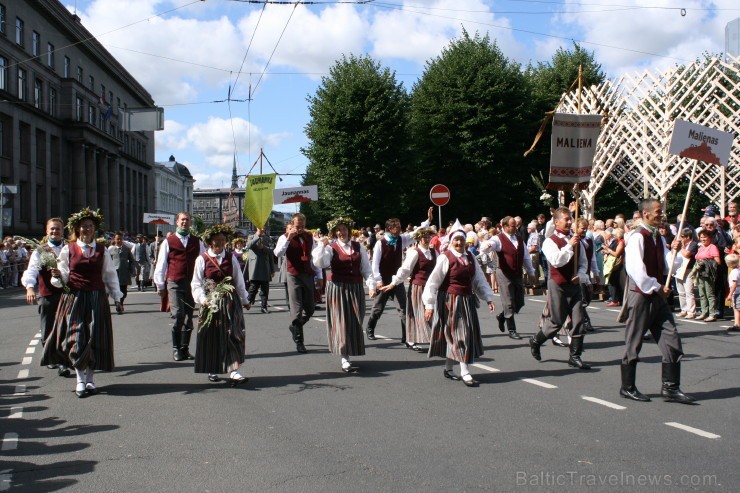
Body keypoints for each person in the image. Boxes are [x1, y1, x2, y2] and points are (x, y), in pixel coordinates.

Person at [41, 208, 123, 398]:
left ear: (95, 229)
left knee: (95, 337)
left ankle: (90, 379)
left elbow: (110, 275)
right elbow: (62, 275)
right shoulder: (68, 249)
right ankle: (80, 379)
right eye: (84, 226)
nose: (87, 229)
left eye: (90, 226)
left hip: (96, 297)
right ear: (77, 229)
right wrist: (58, 276)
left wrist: (117, 298)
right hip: (74, 297)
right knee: (76, 338)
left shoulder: (102, 250)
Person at [619, 198, 694, 403]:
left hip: (658, 297)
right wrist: (656, 286)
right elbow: (635, 269)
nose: (661, 214)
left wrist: (676, 251)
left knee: (672, 339)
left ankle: (670, 387)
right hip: (643, 295)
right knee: (634, 342)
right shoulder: (637, 237)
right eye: (658, 211)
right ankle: (627, 387)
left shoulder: (659, 238)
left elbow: (670, 264)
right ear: (646, 214)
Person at [423, 221, 496, 387]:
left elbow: (478, 279)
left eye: (461, 240)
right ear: (451, 241)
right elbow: (433, 282)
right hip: (450, 301)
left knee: (458, 335)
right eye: (455, 240)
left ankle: (449, 368)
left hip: (466, 300)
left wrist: (488, 297)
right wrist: (429, 305)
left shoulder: (470, 257)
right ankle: (465, 371)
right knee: (461, 334)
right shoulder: (445, 257)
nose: (458, 243)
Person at [529, 207, 591, 370]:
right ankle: (536, 340)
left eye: (571, 219)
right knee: (556, 322)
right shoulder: (550, 241)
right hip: (558, 284)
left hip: (574, 285)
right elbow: (557, 261)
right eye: (567, 219)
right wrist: (569, 246)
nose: (570, 222)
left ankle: (575, 356)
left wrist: (581, 275)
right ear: (557, 222)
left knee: (578, 321)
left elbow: (584, 262)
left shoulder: (576, 240)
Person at [312, 217, 376, 372]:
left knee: (356, 320)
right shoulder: (330, 247)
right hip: (337, 288)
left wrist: (371, 285)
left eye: (344, 229)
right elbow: (321, 263)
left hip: (355, 287)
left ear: (349, 230)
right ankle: (344, 358)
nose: (341, 232)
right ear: (334, 232)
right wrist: (321, 244)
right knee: (342, 322)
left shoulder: (358, 246)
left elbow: (366, 268)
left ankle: (350, 351)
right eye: (338, 230)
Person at [191, 224, 251, 386]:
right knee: (212, 335)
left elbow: (238, 281)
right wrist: (203, 299)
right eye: (216, 241)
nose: (219, 243)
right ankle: (213, 367)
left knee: (234, 333)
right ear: (210, 242)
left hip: (230, 301)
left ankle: (234, 370)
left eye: (222, 240)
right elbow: (196, 283)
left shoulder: (230, 258)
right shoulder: (202, 259)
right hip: (211, 302)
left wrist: (245, 300)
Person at [366, 208, 433, 342]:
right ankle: (370, 328)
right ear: (389, 228)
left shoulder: (401, 239)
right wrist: (378, 280)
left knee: (403, 309)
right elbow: (375, 264)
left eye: (400, 225)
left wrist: (428, 221)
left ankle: (406, 336)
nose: (400, 228)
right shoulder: (381, 243)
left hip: (397, 280)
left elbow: (416, 233)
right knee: (377, 309)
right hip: (384, 281)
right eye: (397, 226)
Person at [154, 212, 206, 361]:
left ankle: (185, 348)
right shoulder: (169, 241)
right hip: (174, 282)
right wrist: (160, 285)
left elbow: (203, 261)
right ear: (176, 222)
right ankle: (176, 349)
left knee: (189, 317)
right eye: (182, 220)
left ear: (190, 223)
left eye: (187, 220)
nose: (185, 222)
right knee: (178, 315)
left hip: (192, 284)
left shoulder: (197, 241)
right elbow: (161, 264)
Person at [21, 217, 70, 376]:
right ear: (47, 231)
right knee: (47, 328)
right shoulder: (40, 250)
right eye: (52, 229)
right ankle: (52, 357)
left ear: (63, 231)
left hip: (66, 293)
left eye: (58, 229)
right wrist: (29, 288)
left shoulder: (69, 248)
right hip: (47, 294)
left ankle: (63, 361)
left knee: (65, 327)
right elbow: (32, 270)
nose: (55, 231)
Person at [379, 227, 437, 351]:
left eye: (428, 237)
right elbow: (405, 270)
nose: (426, 239)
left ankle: (434, 338)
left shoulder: (434, 252)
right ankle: (411, 340)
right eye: (424, 237)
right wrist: (393, 283)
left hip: (431, 287)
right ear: (419, 239)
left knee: (433, 312)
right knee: (417, 313)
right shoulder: (415, 252)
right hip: (418, 287)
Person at [479, 216, 535, 340]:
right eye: (513, 226)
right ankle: (512, 330)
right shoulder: (498, 239)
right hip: (504, 273)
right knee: (508, 302)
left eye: (515, 226)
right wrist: (487, 245)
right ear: (505, 227)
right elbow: (488, 246)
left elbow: (525, 257)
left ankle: (502, 316)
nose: (515, 228)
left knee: (519, 302)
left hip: (517, 273)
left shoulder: (519, 239)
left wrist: (531, 272)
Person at [273, 213, 321, 354]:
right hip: (293, 275)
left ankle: (294, 327)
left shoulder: (309, 236)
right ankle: (300, 341)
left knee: (310, 309)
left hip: (308, 274)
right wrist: (289, 238)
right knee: (297, 309)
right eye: (297, 226)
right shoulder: (284, 237)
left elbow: (314, 257)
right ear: (292, 225)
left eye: (302, 226)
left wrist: (318, 275)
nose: (299, 229)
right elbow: (278, 254)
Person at [246, 228, 275, 313]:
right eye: (260, 228)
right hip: (255, 266)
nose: (262, 229)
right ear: (257, 228)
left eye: (263, 228)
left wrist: (272, 269)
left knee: (265, 289)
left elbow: (271, 252)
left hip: (265, 267)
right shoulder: (251, 237)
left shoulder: (267, 238)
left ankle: (264, 306)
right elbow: (249, 245)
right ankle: (247, 302)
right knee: (253, 287)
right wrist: (257, 236)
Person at [693, 229, 720, 322]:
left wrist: (705, 261)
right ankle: (704, 312)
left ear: (710, 238)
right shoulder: (701, 248)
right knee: (702, 294)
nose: (703, 239)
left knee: (709, 294)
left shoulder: (712, 247)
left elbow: (718, 261)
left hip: (708, 274)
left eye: (705, 237)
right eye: (701, 237)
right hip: (700, 273)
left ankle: (712, 314)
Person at [108, 232, 137, 313]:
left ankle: (121, 302)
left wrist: (132, 270)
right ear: (114, 239)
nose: (119, 240)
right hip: (114, 273)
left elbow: (131, 261)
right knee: (115, 290)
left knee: (123, 291)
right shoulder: (110, 249)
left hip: (124, 272)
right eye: (117, 239)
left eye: (121, 239)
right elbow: (107, 262)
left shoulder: (126, 249)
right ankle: (118, 304)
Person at [674, 228, 698, 319]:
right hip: (679, 269)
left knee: (689, 291)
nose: (681, 238)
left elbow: (687, 254)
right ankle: (684, 309)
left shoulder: (693, 244)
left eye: (683, 237)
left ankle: (691, 311)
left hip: (688, 270)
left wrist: (680, 248)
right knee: (681, 291)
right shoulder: (681, 244)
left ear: (688, 237)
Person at [603, 228, 625, 306]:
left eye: (615, 234)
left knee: (613, 282)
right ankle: (617, 299)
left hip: (617, 264)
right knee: (614, 281)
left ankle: (615, 300)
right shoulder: (618, 241)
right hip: (614, 264)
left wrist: (608, 250)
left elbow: (616, 254)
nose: (614, 236)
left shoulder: (621, 242)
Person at [725, 254, 740, 332]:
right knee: (736, 308)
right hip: (737, 291)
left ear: (729, 264)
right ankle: (736, 323)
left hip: (737, 292)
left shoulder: (734, 272)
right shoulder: (738, 270)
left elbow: (734, 284)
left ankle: (737, 324)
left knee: (737, 308)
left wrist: (730, 294)